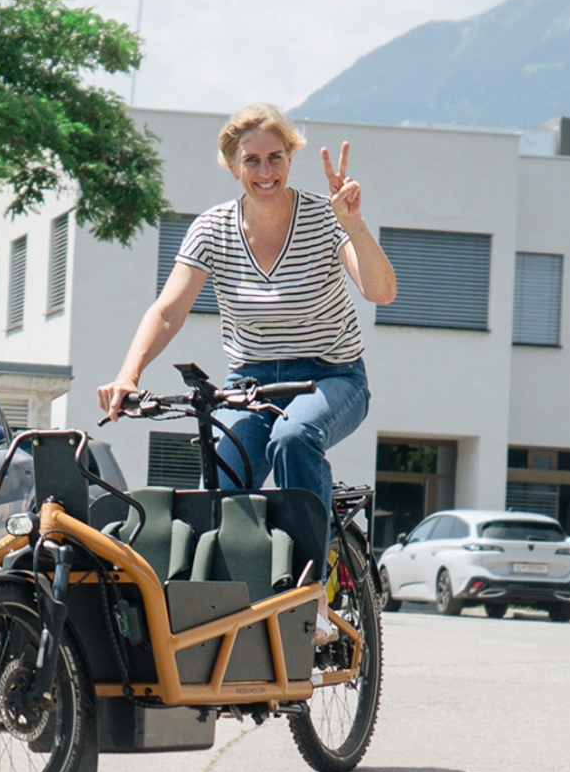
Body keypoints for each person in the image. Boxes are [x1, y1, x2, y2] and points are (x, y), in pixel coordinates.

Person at [97, 103, 396, 516]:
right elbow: (168, 312)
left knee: (294, 436)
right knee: (219, 485)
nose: (265, 171)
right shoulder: (212, 229)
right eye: (251, 160)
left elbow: (381, 292)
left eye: (275, 158)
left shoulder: (325, 218)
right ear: (233, 167)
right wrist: (127, 377)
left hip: (332, 375)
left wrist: (353, 223)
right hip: (251, 383)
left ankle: (309, 561)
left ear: (290, 159)